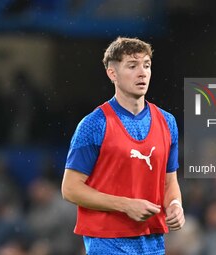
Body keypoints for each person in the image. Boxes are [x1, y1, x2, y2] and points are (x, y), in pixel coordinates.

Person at [61, 37, 185, 255]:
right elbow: (70, 188)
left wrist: (175, 204)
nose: (142, 72)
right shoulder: (93, 125)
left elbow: (169, 181)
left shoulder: (168, 122)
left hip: (153, 241)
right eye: (132, 65)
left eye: (146, 65)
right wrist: (126, 205)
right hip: (108, 241)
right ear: (112, 73)